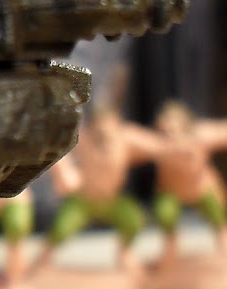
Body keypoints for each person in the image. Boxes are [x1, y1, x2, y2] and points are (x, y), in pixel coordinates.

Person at [34, 106, 163, 272]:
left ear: (116, 125)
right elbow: (52, 145)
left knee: (134, 219)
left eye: (108, 126)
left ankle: (125, 252)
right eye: (99, 127)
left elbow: (157, 146)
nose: (104, 131)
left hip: (111, 201)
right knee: (61, 228)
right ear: (92, 127)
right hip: (83, 201)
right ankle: (42, 259)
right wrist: (64, 170)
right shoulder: (82, 138)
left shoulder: (126, 138)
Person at [152, 102, 227, 263]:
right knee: (165, 214)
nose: (168, 127)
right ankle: (169, 253)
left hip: (203, 188)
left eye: (172, 122)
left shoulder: (201, 135)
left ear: (184, 123)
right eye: (165, 122)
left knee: (220, 219)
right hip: (171, 191)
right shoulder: (154, 142)